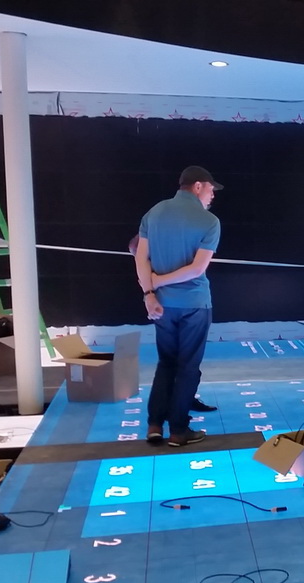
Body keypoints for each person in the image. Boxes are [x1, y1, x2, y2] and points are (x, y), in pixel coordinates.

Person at [135, 166, 222, 446]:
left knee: (166, 363)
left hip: (161, 305)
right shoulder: (209, 221)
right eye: (210, 189)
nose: (212, 195)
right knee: (187, 366)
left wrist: (150, 292)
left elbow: (140, 257)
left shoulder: (154, 213)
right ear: (197, 186)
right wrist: (159, 282)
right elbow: (197, 269)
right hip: (194, 304)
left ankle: (154, 425)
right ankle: (178, 431)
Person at [129, 233, 217, 414]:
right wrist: (151, 293)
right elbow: (144, 276)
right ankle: (171, 412)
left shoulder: (177, 240)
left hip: (184, 304)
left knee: (184, 362)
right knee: (175, 363)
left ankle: (182, 402)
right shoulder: (148, 241)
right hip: (170, 307)